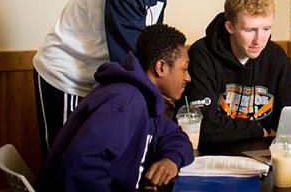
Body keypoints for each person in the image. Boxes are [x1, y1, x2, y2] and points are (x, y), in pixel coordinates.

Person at [33, 0, 204, 155]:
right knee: (63, 160)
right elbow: (129, 52)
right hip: (66, 73)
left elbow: (151, 41)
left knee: (92, 157)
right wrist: (156, 93)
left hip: (97, 78)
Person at [37, 23, 195, 191]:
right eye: (184, 69)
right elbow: (81, 166)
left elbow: (175, 135)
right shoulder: (126, 101)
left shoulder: (143, 98)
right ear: (161, 67)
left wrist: (171, 159)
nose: (188, 77)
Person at [177, 0, 291, 145]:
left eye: (266, 29)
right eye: (250, 30)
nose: (259, 40)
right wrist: (257, 130)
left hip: (262, 157)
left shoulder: (276, 56)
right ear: (230, 27)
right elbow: (203, 126)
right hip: (212, 157)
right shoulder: (202, 55)